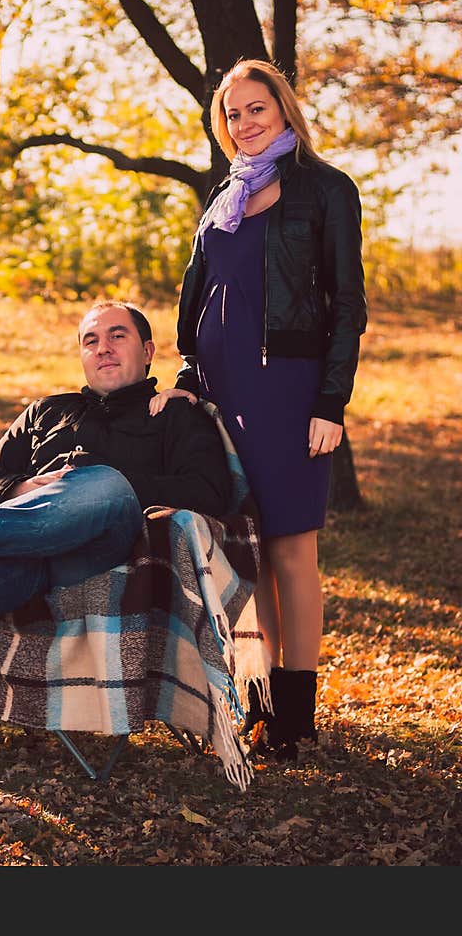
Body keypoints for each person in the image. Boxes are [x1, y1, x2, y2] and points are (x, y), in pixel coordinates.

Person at [0, 301, 233, 821]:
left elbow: (210, 492)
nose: (103, 348)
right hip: (28, 556)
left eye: (117, 336)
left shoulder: (172, 413)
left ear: (147, 351)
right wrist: (27, 487)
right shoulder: (46, 412)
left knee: (101, 481)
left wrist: (105, 484)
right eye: (90, 340)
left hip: (114, 555)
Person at [153, 59, 367, 761]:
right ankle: (266, 703)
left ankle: (298, 721)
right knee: (253, 554)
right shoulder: (225, 195)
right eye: (232, 114)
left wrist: (331, 401)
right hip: (223, 393)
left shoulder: (326, 189)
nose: (244, 124)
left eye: (256, 109)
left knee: (292, 548)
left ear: (283, 109)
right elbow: (208, 290)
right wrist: (189, 372)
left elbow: (347, 306)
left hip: (291, 389)